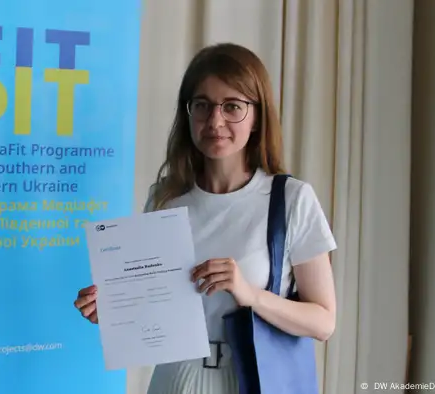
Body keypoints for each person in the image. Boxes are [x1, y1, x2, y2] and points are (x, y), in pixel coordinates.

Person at [73, 42, 337, 394]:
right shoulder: (165, 198)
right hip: (174, 379)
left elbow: (323, 322)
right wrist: (114, 311)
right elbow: (155, 310)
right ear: (188, 113)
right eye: (203, 105)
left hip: (252, 379)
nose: (215, 121)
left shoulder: (291, 199)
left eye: (232, 106)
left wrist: (250, 294)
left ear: (257, 115)